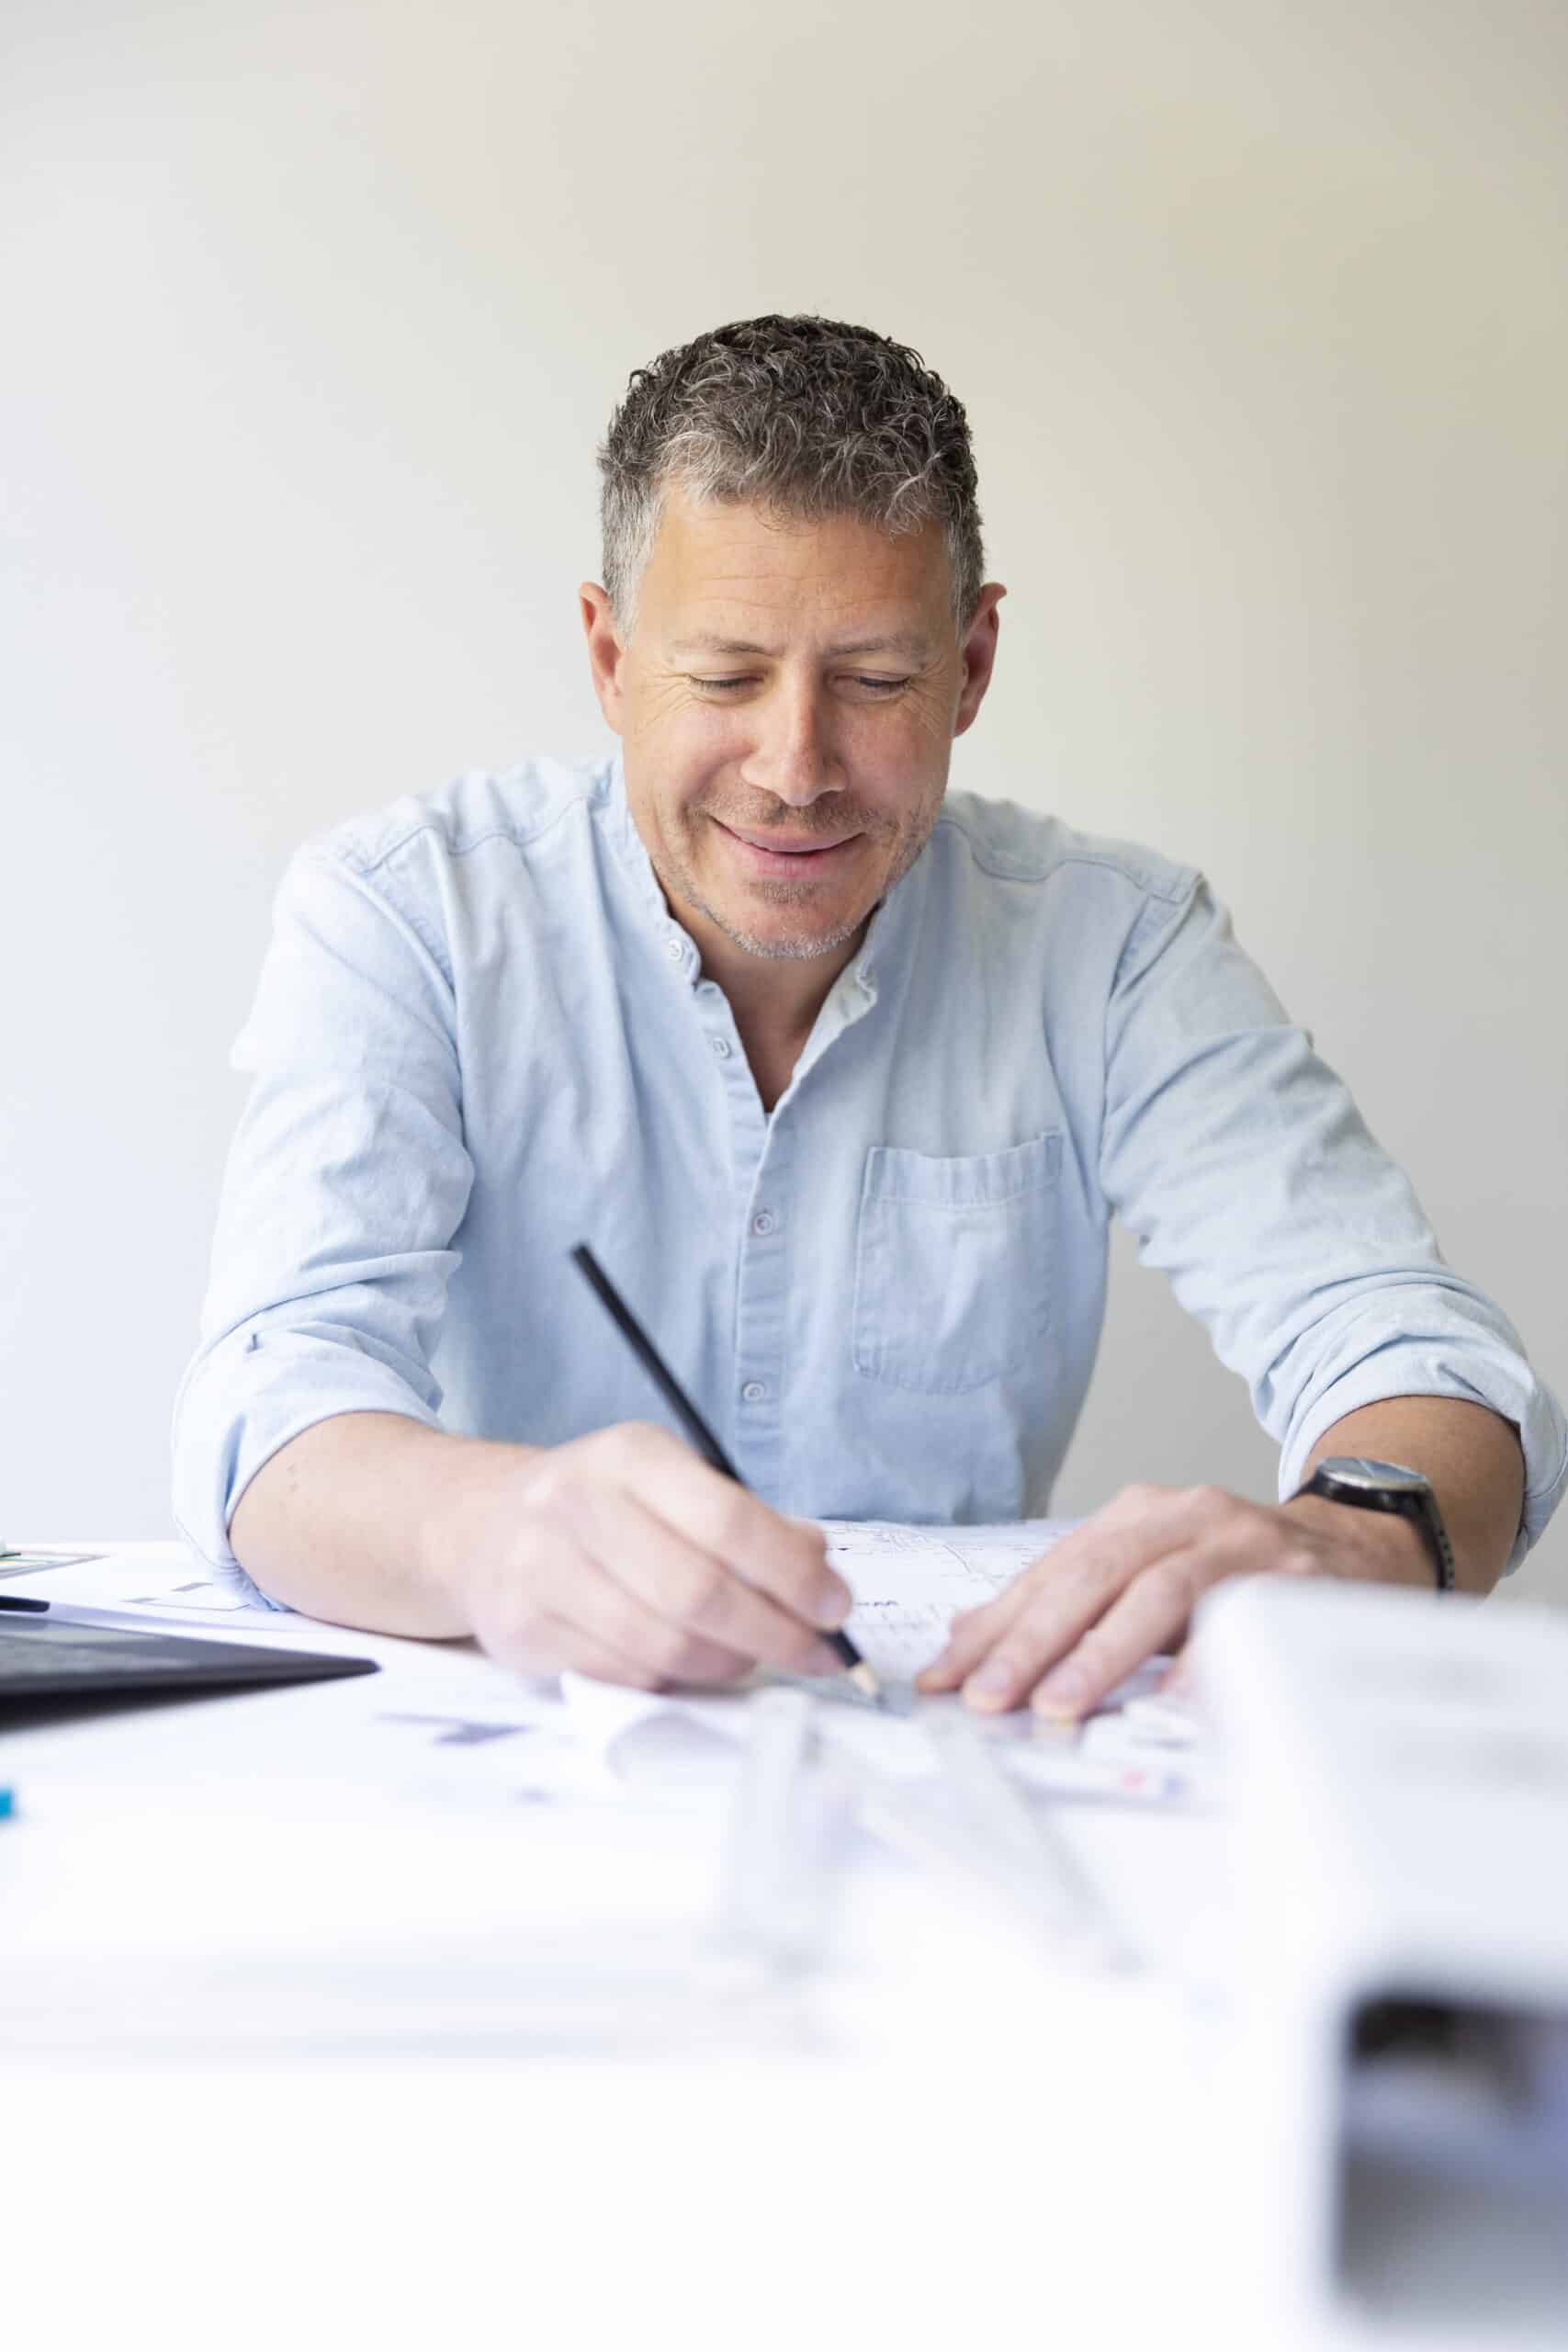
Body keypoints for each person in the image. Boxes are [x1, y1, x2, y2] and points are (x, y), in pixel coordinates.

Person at [172, 313, 1564, 1721]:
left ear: (972, 665)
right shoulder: (407, 913)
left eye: (878, 682)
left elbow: (1412, 1350)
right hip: (524, 1754)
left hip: (957, 1755)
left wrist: (1350, 1534)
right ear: (608, 662)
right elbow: (269, 1414)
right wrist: (489, 1533)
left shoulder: (1115, 947)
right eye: (723, 677)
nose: (796, 770)